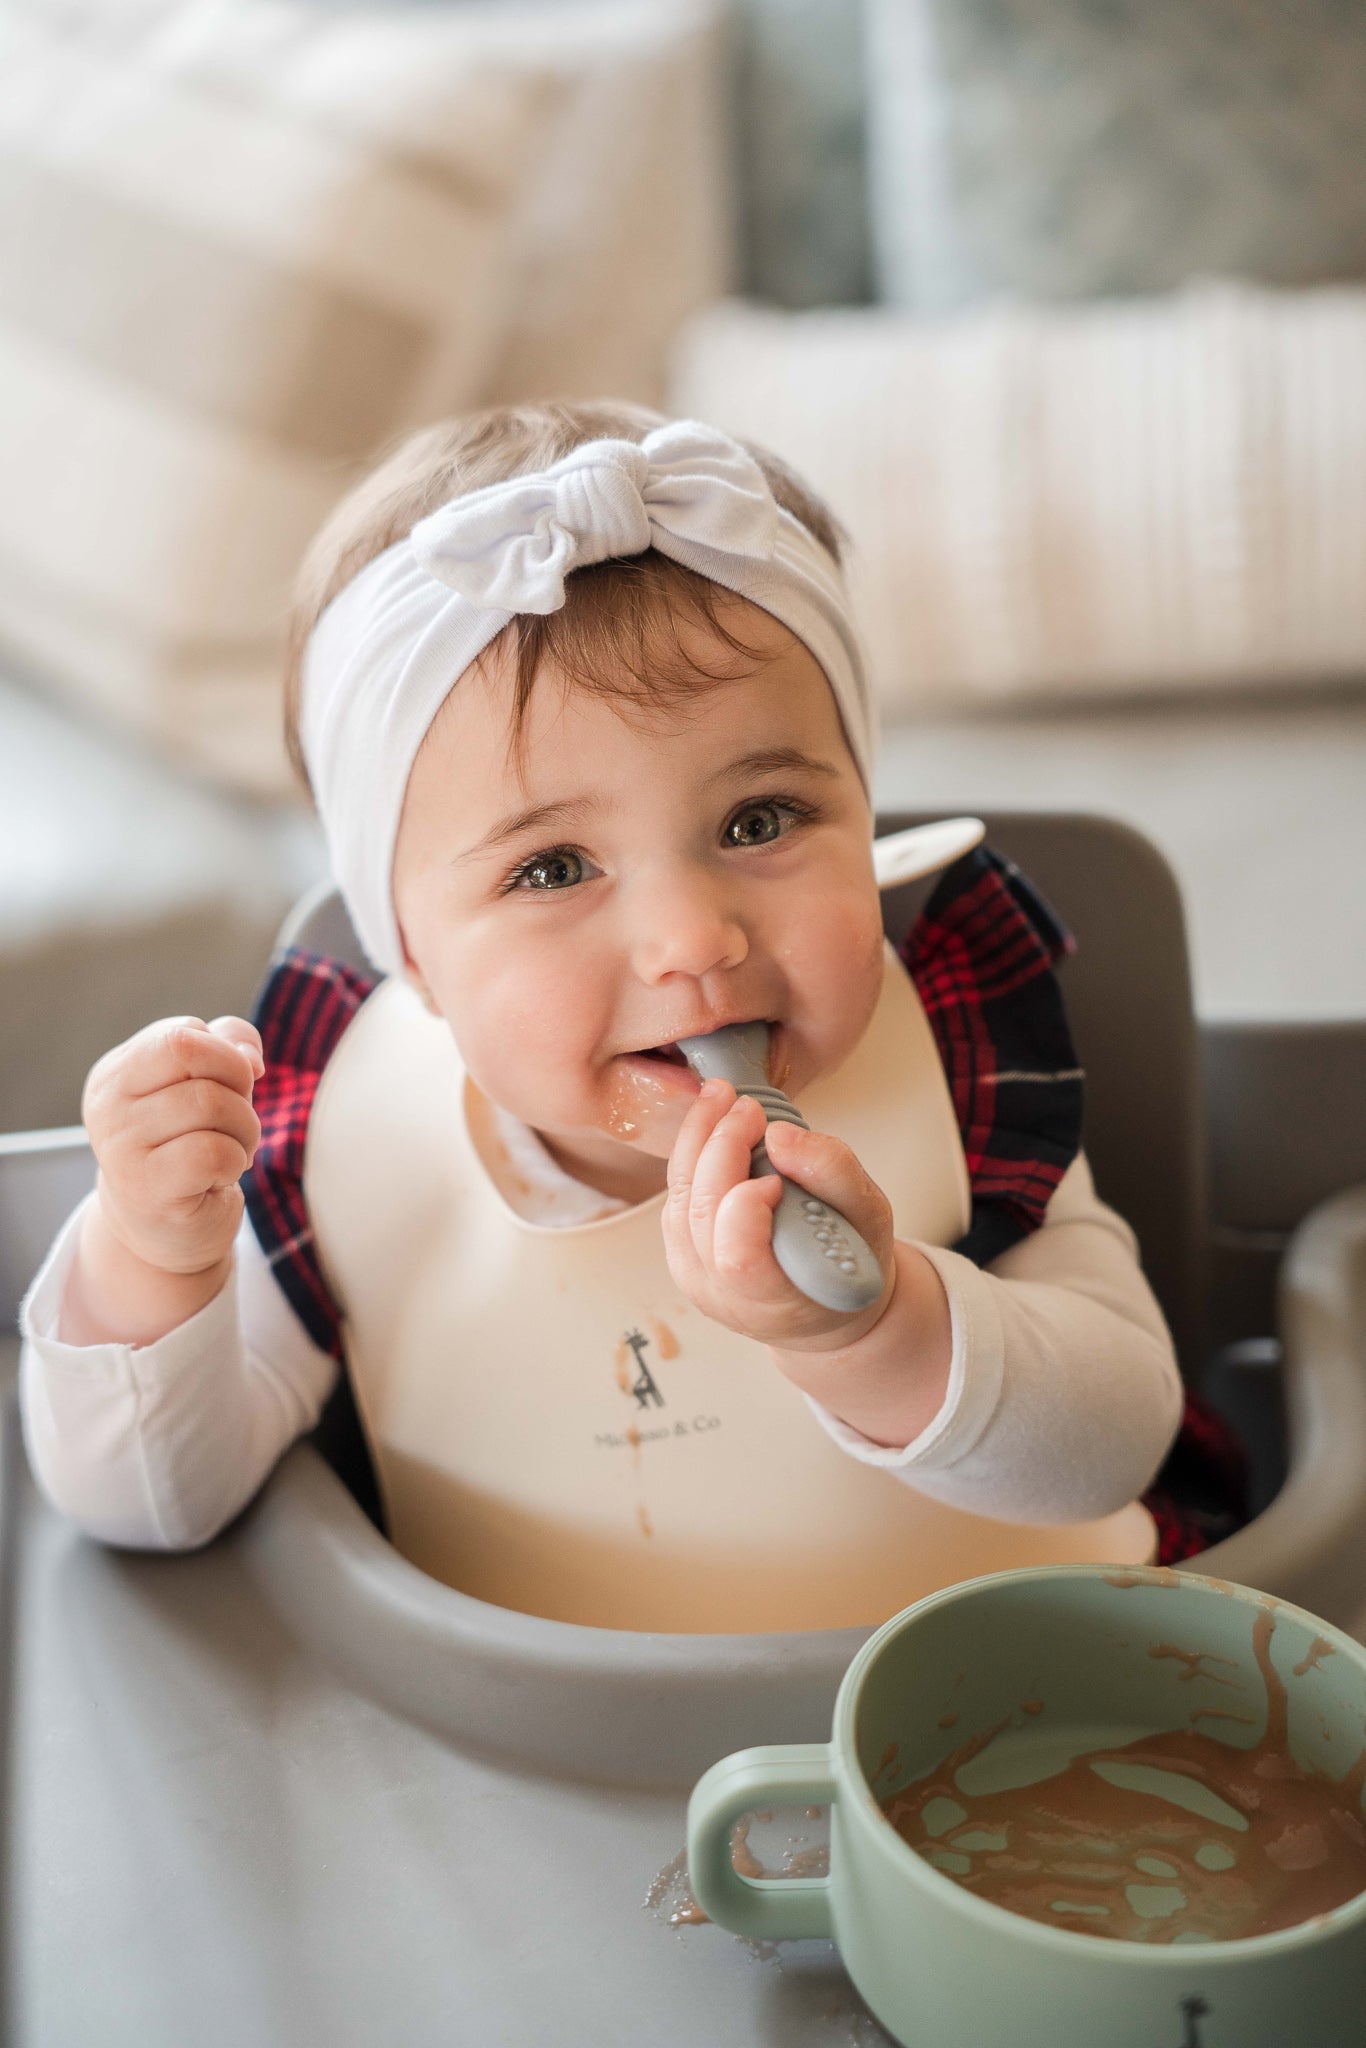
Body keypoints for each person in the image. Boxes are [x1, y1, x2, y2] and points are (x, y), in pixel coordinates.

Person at [18, 403, 1242, 1632]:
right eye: (553, 868)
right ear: (414, 958)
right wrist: (148, 1261)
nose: (692, 939)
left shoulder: (953, 1055)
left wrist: (877, 1333)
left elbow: (1115, 1437)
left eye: (759, 821)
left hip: (1022, 1711)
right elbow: (151, 1506)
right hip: (539, 1761)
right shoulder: (347, 1145)